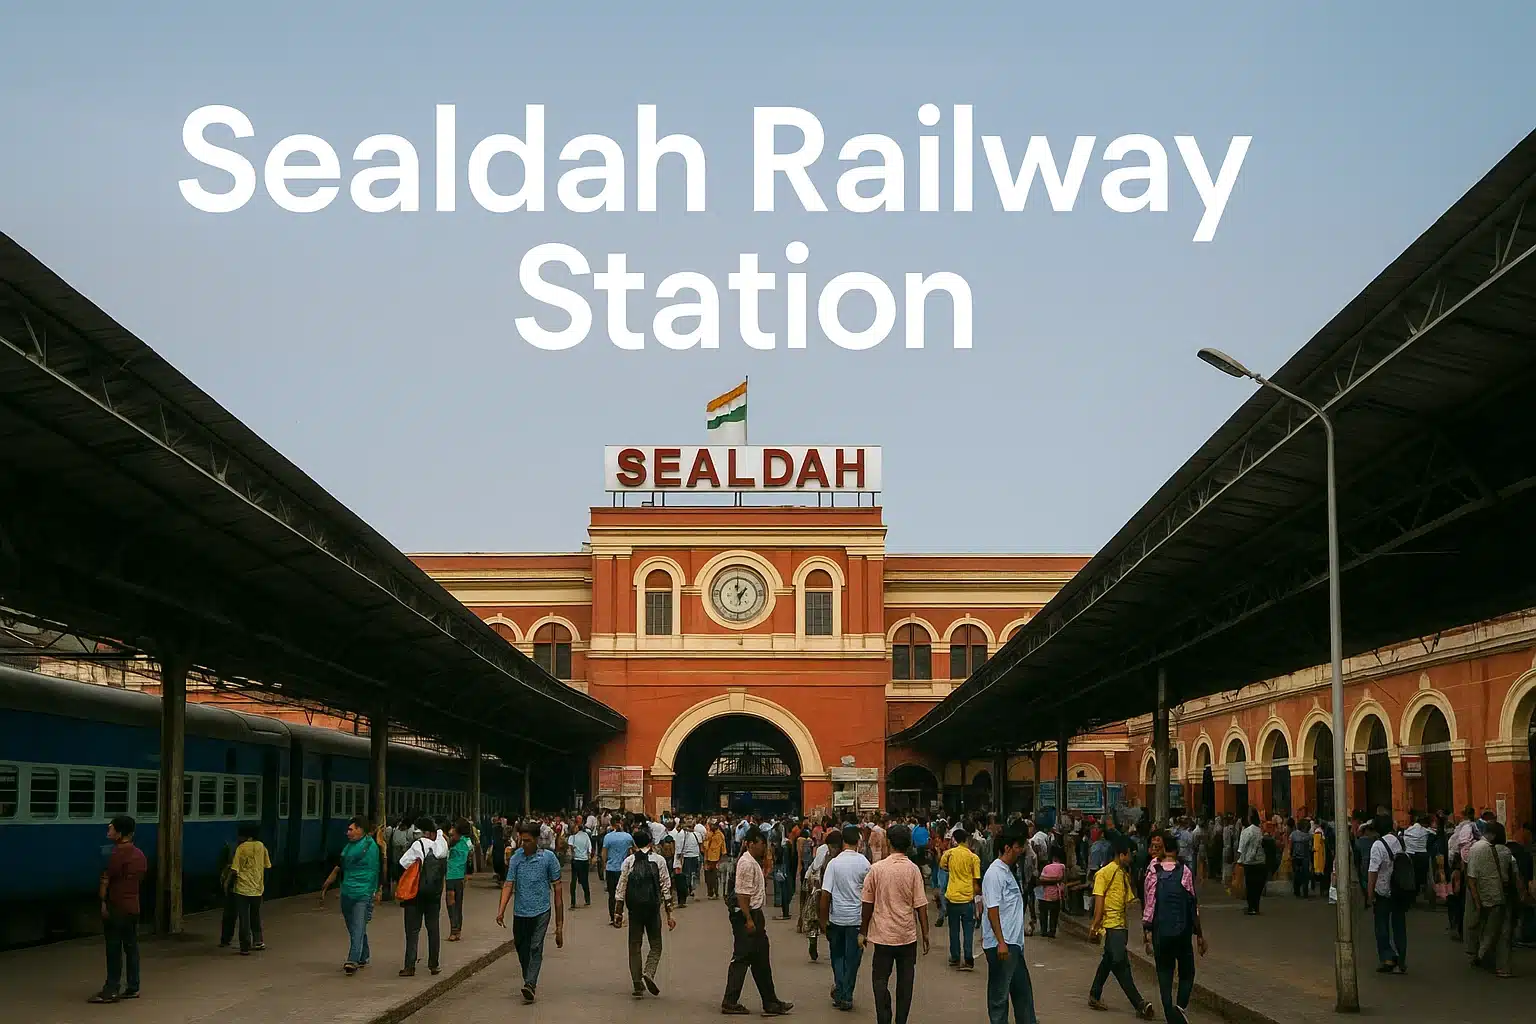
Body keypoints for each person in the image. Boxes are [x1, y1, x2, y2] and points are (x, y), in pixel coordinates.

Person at [859, 824, 929, 1024]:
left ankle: (884, 1017)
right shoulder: (913, 870)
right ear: (908, 845)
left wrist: (862, 932)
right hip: (907, 936)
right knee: (906, 983)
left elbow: (867, 903)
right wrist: (925, 934)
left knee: (879, 980)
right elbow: (921, 905)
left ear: (888, 843)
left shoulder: (877, 869)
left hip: (882, 936)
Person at [721, 825, 793, 1016]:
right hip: (747, 915)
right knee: (742, 957)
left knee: (760, 959)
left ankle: (770, 1001)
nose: (764, 848)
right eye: (762, 844)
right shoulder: (746, 863)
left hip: (754, 914)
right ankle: (730, 1001)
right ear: (751, 844)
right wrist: (748, 919)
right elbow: (742, 894)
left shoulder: (752, 861)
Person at [1141, 831, 1205, 1024]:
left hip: (1161, 932)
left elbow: (1149, 904)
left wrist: (1147, 932)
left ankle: (1170, 1013)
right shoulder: (1184, 871)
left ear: (1163, 851)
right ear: (1176, 851)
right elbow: (1193, 905)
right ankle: (1180, 1007)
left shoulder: (1153, 871)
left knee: (1164, 974)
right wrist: (1200, 935)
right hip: (1182, 933)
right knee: (1187, 973)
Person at [1088, 834, 1155, 1018]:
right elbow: (1099, 901)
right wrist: (1094, 926)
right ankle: (1139, 1003)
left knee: (1109, 961)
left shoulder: (1123, 873)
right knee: (1120, 964)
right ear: (1121, 854)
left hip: (1120, 926)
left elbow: (1128, 901)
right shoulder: (1104, 873)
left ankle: (1094, 994)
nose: (1132, 857)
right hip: (1111, 926)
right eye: (1130, 854)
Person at [498, 821, 565, 1002]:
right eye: (521, 840)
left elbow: (558, 891)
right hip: (520, 912)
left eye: (527, 840)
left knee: (535, 947)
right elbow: (509, 884)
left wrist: (559, 925)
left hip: (541, 911)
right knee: (521, 948)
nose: (523, 844)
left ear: (536, 840)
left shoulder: (549, 858)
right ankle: (528, 977)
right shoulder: (516, 858)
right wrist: (501, 910)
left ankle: (530, 984)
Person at [89, 815, 147, 1004]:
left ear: (120, 833)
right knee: (131, 947)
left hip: (116, 907)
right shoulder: (139, 854)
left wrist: (103, 900)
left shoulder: (116, 854)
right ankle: (133, 986)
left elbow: (107, 880)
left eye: (111, 828)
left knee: (113, 948)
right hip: (133, 907)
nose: (108, 830)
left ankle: (111, 989)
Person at [982, 825, 1036, 1024]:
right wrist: (1001, 942)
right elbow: (992, 910)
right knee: (999, 996)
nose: (1020, 851)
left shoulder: (1007, 872)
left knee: (1022, 992)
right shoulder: (994, 874)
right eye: (1018, 847)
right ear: (1007, 848)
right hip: (1002, 945)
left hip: (1013, 944)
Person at [614, 828, 676, 998]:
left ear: (635, 844)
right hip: (652, 909)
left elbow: (621, 887)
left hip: (634, 910)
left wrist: (618, 913)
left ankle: (636, 983)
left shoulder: (629, 861)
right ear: (650, 842)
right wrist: (670, 914)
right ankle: (649, 972)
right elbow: (666, 887)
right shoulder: (659, 860)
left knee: (634, 945)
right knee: (656, 944)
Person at [321, 815, 384, 973]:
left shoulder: (372, 847)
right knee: (354, 926)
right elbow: (341, 864)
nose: (347, 832)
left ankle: (353, 959)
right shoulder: (348, 846)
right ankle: (364, 954)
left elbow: (377, 870)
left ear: (360, 830)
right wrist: (331, 878)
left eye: (350, 829)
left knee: (357, 926)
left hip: (363, 893)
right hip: (347, 891)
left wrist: (376, 891)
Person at [820, 825, 869, 1011]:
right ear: (858, 841)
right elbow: (869, 894)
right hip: (856, 920)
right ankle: (846, 994)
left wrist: (823, 921)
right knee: (853, 960)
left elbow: (825, 895)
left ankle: (841, 989)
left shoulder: (834, 863)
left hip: (837, 919)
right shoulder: (864, 863)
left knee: (837, 958)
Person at [1464, 819, 1518, 977]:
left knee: (1482, 927)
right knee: (1502, 931)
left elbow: (1472, 877)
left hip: (1483, 895)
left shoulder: (1476, 849)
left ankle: (1480, 954)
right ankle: (1503, 966)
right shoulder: (1506, 852)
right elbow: (1514, 874)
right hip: (1501, 895)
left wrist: (1476, 900)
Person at [399, 816, 448, 977]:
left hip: (416, 893)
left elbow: (403, 862)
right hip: (434, 893)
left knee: (412, 930)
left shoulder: (418, 845)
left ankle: (409, 966)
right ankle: (434, 965)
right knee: (433, 928)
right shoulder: (442, 845)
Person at [1364, 815, 1409, 973]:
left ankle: (1388, 958)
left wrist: (1370, 895)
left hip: (1383, 891)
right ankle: (1401, 959)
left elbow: (1372, 873)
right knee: (1399, 927)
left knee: (1381, 926)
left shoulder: (1377, 845)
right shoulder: (1399, 841)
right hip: (1399, 890)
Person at [939, 827, 982, 968]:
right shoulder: (973, 857)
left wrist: (952, 869)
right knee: (968, 930)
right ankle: (968, 958)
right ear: (967, 840)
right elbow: (976, 881)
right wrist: (978, 900)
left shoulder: (949, 854)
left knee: (954, 930)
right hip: (968, 898)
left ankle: (955, 957)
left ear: (954, 840)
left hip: (952, 897)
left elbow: (942, 865)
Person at [225, 822, 271, 955]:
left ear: (246, 836)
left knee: (244, 917)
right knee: (255, 915)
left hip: (242, 889)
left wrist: (227, 883)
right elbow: (267, 865)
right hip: (257, 889)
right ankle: (258, 941)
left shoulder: (241, 848)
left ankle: (245, 946)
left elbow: (234, 870)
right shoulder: (262, 846)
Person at [445, 819, 474, 940]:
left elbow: (470, 857)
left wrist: (468, 872)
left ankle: (457, 930)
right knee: (450, 901)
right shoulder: (450, 842)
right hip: (449, 875)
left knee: (457, 903)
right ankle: (453, 928)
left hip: (460, 876)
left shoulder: (467, 842)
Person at [604, 819, 637, 921]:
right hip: (624, 869)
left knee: (612, 894)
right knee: (624, 893)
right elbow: (635, 849)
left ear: (612, 825)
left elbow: (604, 853)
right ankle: (621, 914)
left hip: (610, 869)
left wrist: (604, 865)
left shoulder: (608, 837)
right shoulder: (627, 837)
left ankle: (612, 916)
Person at [1237, 810, 1267, 915]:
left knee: (1250, 885)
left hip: (1249, 862)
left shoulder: (1246, 831)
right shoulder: (1260, 830)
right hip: (1260, 860)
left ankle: (1251, 907)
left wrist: (1239, 861)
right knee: (1258, 885)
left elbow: (1241, 848)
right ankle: (1256, 906)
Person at [569, 820, 593, 909]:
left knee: (573, 881)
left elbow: (570, 847)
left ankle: (573, 902)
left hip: (576, 860)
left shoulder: (572, 837)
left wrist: (573, 852)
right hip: (584, 860)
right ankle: (587, 899)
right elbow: (589, 846)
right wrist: (589, 855)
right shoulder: (586, 835)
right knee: (584, 880)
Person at [704, 820, 727, 899]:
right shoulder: (709, 833)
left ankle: (715, 893)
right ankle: (710, 892)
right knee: (708, 877)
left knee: (714, 877)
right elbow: (706, 843)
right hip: (708, 857)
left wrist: (721, 859)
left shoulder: (720, 835)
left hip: (716, 859)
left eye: (712, 825)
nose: (711, 827)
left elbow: (723, 849)